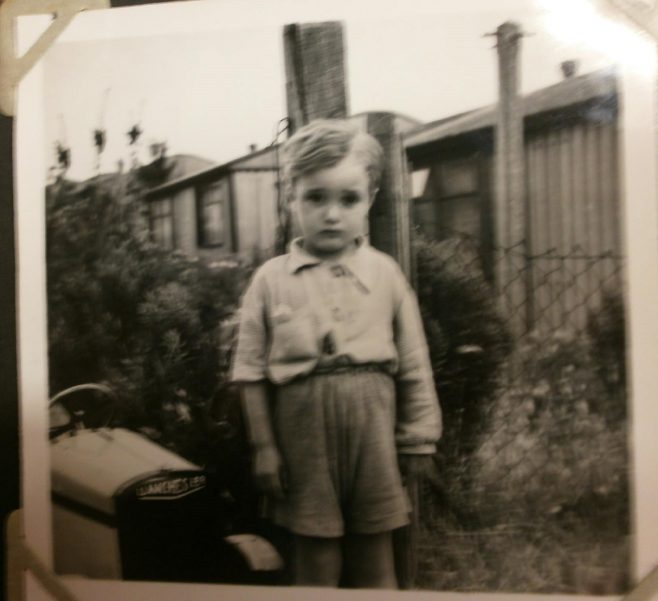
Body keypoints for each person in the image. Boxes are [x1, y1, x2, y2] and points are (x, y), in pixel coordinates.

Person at [231, 119, 441, 589]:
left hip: (373, 434)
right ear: (291, 200)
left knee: (375, 557)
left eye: (348, 200)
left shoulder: (385, 275)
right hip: (302, 439)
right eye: (316, 198)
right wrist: (264, 448)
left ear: (369, 201)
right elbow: (248, 371)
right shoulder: (271, 279)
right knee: (315, 559)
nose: (332, 215)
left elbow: (413, 361)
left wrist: (420, 440)